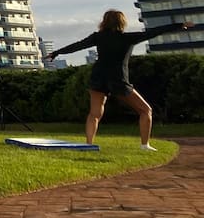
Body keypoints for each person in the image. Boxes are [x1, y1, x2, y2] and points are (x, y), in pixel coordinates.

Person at [47, 10, 195, 150]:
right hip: (118, 79)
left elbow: (77, 46)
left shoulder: (98, 37)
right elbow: (153, 32)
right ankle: (145, 145)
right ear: (122, 22)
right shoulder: (128, 38)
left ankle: (89, 144)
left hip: (98, 77)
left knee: (94, 114)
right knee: (145, 110)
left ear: (104, 22)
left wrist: (56, 53)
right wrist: (179, 25)